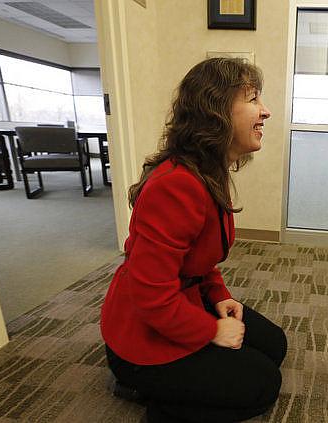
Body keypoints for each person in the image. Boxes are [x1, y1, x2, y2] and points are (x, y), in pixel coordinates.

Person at [100, 58, 287, 423]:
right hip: (140, 333)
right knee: (263, 386)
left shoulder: (207, 173)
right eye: (252, 99)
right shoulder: (176, 185)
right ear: (215, 110)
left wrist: (219, 296)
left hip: (180, 297)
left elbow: (198, 260)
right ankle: (147, 392)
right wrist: (212, 329)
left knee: (273, 345)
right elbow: (151, 296)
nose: (266, 112)